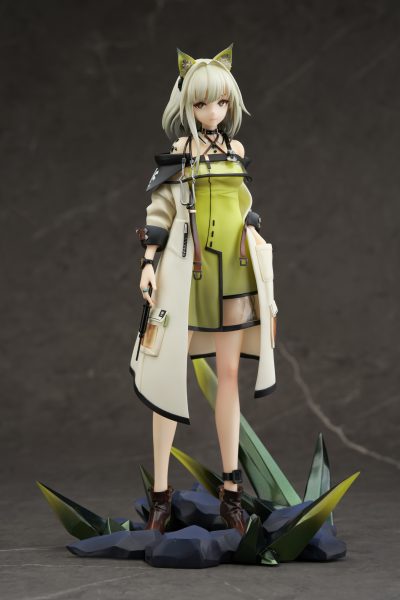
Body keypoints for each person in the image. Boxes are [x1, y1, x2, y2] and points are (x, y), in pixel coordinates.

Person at [131, 44, 278, 536]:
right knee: (168, 374)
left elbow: (243, 206)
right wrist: (149, 262)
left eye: (220, 102)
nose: (212, 112)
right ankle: (161, 494)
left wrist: (256, 237)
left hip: (234, 273)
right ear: (187, 105)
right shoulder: (179, 154)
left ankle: (232, 492)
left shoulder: (236, 152)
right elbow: (160, 212)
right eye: (201, 103)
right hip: (189, 276)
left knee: (229, 376)